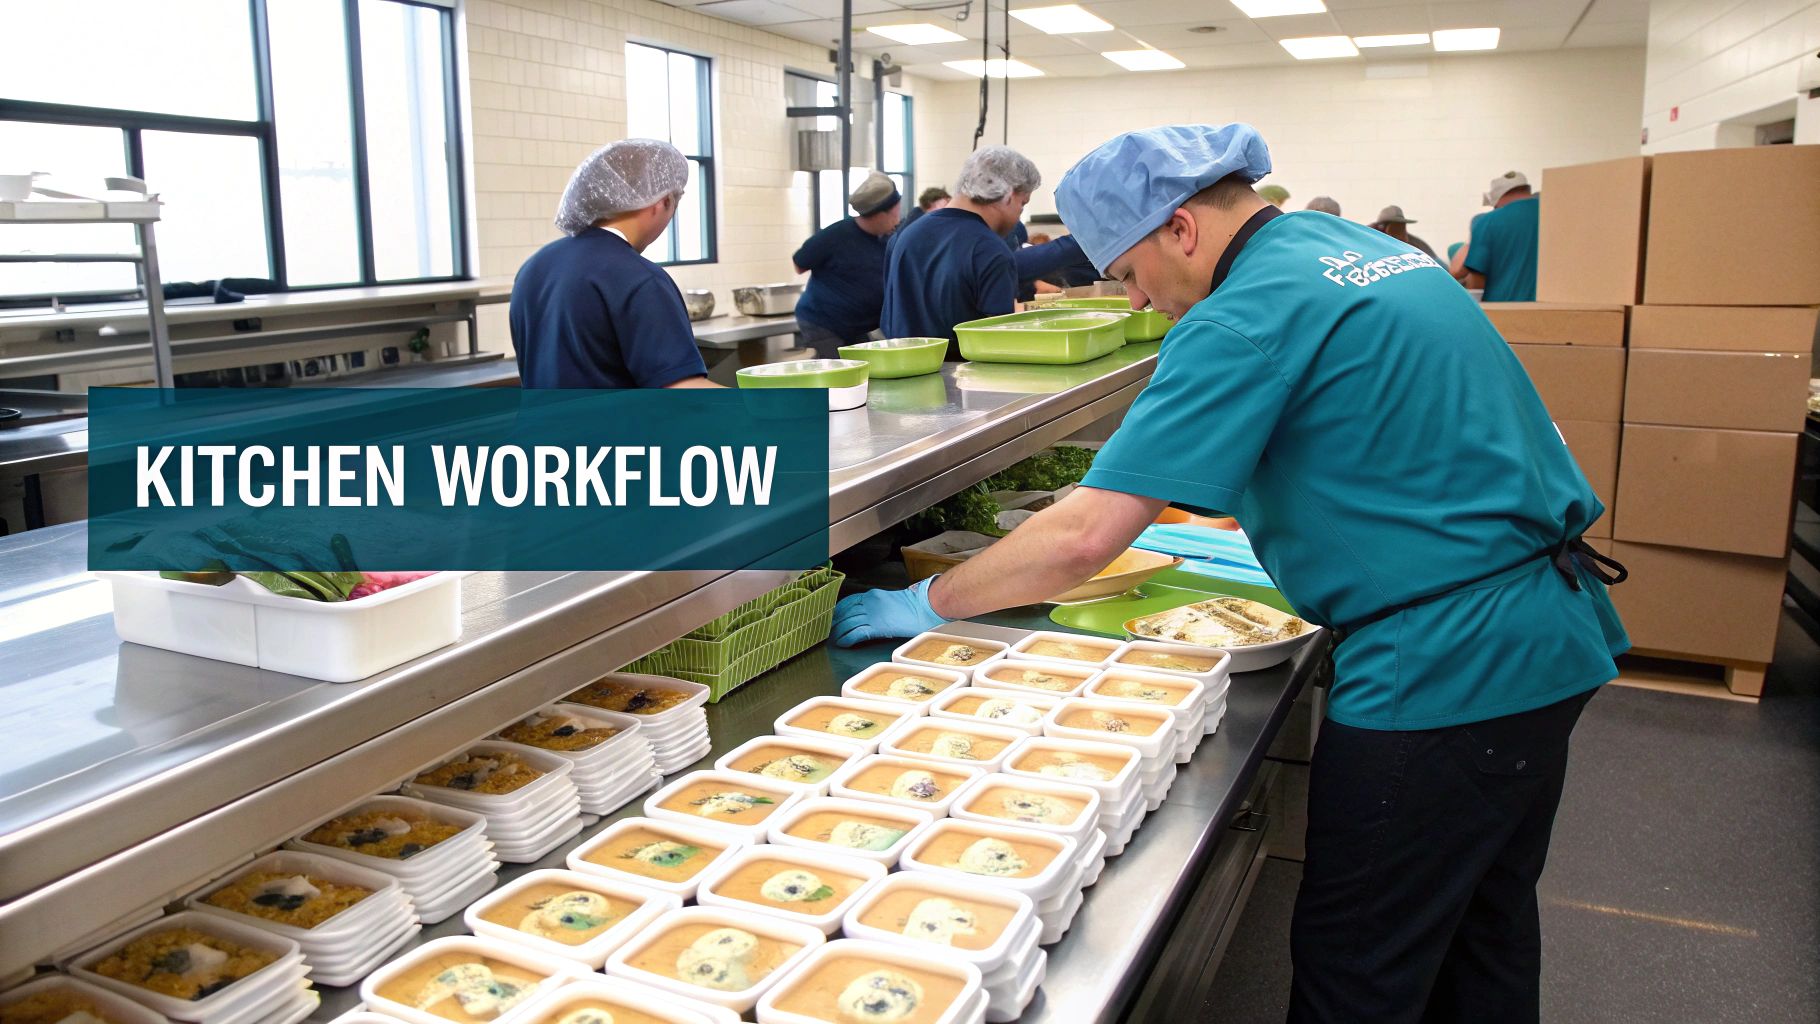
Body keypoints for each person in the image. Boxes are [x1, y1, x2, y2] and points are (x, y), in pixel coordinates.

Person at [832, 123, 1628, 1024]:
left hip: (1442, 668)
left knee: (1359, 966)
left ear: (1180, 228)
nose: (1138, 299)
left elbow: (1084, 537)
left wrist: (927, 600)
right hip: (1546, 626)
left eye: (1129, 273)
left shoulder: (1242, 313)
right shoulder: (1353, 248)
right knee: (1483, 934)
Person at [511, 139, 714, 388]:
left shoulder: (534, 267)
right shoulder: (640, 278)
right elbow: (684, 392)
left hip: (541, 415)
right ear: (662, 202)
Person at [881, 146, 1040, 355]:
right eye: (1022, 204)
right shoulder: (989, 249)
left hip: (903, 366)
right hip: (963, 373)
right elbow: (998, 341)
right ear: (1008, 196)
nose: (1019, 213)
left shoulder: (906, 236)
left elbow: (890, 316)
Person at [790, 171, 901, 357]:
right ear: (879, 215)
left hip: (860, 327)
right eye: (895, 214)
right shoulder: (835, 235)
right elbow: (799, 263)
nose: (897, 219)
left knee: (868, 366)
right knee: (840, 371)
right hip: (825, 323)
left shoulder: (888, 238)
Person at [1462, 171, 1540, 301]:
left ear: (1496, 199)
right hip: (1554, 307)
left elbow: (1476, 282)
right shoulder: (1554, 214)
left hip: (1501, 306)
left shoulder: (1487, 222)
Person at [1371, 204, 1438, 260]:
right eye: (1395, 227)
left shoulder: (1416, 244)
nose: (1399, 231)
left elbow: (1436, 262)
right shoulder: (1369, 242)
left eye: (1400, 227)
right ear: (1381, 227)